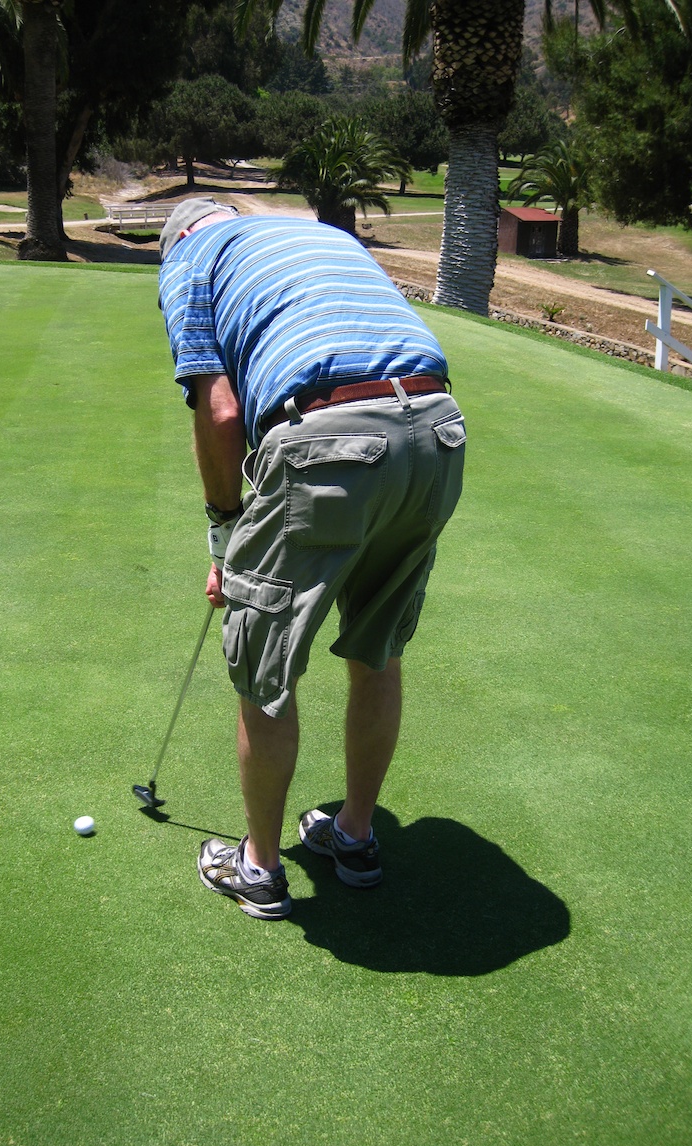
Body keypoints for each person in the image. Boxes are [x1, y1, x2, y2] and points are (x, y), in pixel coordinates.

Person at [158, 197, 466, 920]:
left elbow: (222, 411)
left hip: (328, 437)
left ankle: (260, 868)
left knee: (264, 666)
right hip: (438, 432)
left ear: (175, 242)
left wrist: (224, 537)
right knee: (378, 650)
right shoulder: (315, 233)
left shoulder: (188, 264)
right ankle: (354, 837)